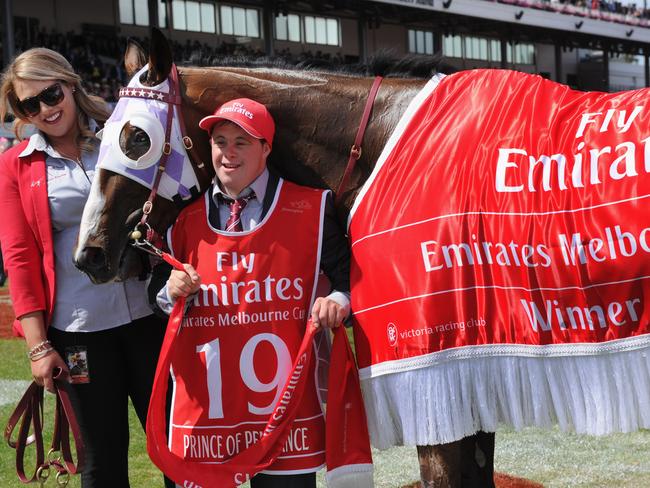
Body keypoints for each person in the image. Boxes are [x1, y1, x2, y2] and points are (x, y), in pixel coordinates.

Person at [153, 98, 351, 487]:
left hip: (285, 414)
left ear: (266, 148)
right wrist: (169, 289)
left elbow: (348, 278)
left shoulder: (311, 207)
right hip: (207, 418)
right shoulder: (183, 219)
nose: (228, 153)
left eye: (241, 142)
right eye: (220, 141)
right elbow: (155, 290)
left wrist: (337, 302)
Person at [0, 48, 167, 488]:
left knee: (178, 444)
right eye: (28, 104)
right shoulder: (15, 166)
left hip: (150, 319)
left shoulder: (121, 133)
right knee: (101, 461)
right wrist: (38, 347)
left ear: (70, 84)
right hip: (79, 331)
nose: (45, 109)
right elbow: (19, 256)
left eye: (51, 94)